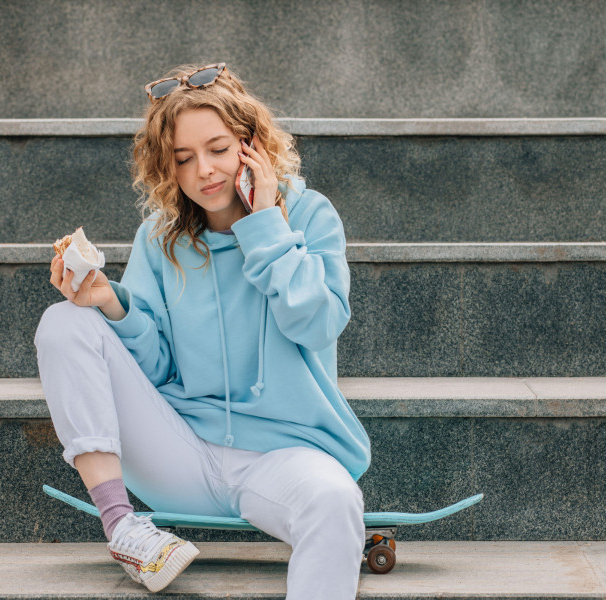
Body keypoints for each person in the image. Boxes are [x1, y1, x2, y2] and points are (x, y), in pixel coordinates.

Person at [34, 62, 371, 599]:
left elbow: (317, 321)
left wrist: (264, 224)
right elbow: (160, 366)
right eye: (183, 158)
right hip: (180, 449)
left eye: (217, 149)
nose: (204, 172)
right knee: (65, 319)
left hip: (287, 458)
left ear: (251, 142)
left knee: (335, 501)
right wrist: (110, 303)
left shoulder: (308, 215)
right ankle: (123, 527)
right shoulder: (161, 237)